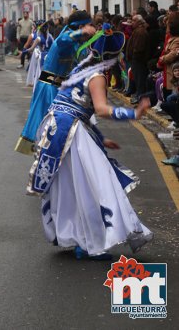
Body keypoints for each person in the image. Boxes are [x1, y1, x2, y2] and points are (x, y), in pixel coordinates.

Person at [27, 24, 153, 259]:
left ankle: (78, 238)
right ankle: (91, 241)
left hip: (58, 128)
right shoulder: (97, 77)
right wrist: (133, 114)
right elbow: (101, 110)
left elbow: (80, 109)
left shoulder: (82, 67)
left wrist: (101, 138)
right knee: (96, 185)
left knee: (72, 188)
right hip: (69, 131)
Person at [15, 10, 96, 155]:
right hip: (49, 87)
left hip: (62, 89)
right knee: (52, 127)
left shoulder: (79, 43)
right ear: (79, 27)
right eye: (87, 26)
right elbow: (65, 40)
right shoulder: (66, 37)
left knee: (64, 129)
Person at [125, 14, 149, 104]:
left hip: (139, 60)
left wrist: (134, 57)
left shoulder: (140, 32)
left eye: (134, 21)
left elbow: (139, 48)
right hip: (136, 60)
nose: (132, 23)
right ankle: (139, 95)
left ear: (139, 22)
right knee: (137, 79)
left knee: (140, 80)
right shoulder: (138, 31)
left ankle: (140, 97)